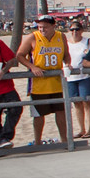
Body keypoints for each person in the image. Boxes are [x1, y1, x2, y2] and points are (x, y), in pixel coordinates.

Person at [15, 15, 71, 147]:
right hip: (39, 84)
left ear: (53, 26)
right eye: (40, 26)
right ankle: (38, 141)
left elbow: (66, 55)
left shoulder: (60, 36)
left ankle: (64, 140)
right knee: (39, 114)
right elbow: (19, 55)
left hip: (57, 82)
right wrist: (32, 67)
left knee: (61, 112)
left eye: (45, 26)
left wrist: (67, 64)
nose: (42, 29)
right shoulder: (33, 37)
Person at [63, 19, 90, 140]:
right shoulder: (66, 43)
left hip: (86, 76)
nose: (75, 32)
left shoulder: (88, 42)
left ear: (82, 30)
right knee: (77, 103)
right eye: (72, 30)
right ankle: (81, 129)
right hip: (71, 77)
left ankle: (89, 129)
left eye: (77, 29)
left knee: (87, 101)